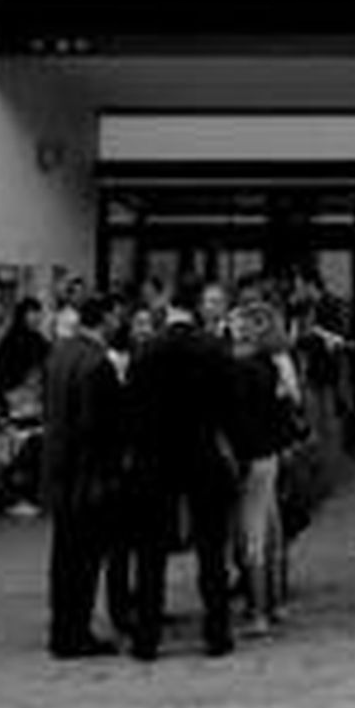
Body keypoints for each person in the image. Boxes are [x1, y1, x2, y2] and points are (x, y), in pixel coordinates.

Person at [125, 282, 241, 660]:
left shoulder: (147, 350)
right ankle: (217, 632)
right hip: (202, 451)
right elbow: (230, 404)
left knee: (151, 551)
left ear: (169, 308)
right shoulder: (214, 348)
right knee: (211, 547)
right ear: (197, 308)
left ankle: (147, 637)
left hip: (156, 456)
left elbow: (133, 407)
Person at [44, 295, 132, 658]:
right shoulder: (98, 364)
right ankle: (76, 633)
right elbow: (100, 427)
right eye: (117, 317)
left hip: (60, 473)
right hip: (89, 476)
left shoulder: (59, 354)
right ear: (107, 318)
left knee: (63, 557)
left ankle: (61, 628)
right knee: (85, 561)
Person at [227, 299, 301, 637]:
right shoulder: (270, 365)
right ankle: (275, 602)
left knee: (253, 535)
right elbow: (284, 408)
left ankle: (259, 612)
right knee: (271, 529)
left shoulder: (241, 368)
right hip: (270, 452)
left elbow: (238, 419)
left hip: (251, 456)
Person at [0, 298, 49, 514]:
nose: (35, 318)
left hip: (34, 406)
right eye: (31, 313)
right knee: (12, 451)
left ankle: (27, 494)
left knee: (32, 449)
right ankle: (9, 496)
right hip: (15, 404)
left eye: (38, 314)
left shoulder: (39, 341)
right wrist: (7, 399)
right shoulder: (10, 342)